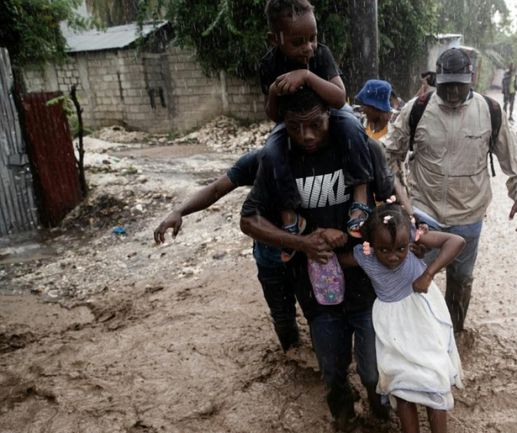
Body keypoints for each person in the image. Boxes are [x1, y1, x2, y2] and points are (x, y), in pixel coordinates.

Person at [240, 88, 391, 430]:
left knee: (372, 368)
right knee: (332, 370)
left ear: (331, 115)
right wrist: (301, 242)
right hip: (315, 289)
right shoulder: (276, 160)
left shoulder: (360, 147)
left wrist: (384, 233)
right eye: (295, 127)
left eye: (315, 125)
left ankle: (380, 410)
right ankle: (344, 417)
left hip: (365, 284)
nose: (306, 136)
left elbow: (391, 201)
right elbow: (248, 219)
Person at [384, 47, 517, 333]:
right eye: (446, 86)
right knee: (411, 276)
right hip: (423, 213)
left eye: (459, 86)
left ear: (472, 79)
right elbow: (390, 154)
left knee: (461, 280)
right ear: (436, 80)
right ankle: (417, 337)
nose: (452, 93)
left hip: (469, 216)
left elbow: (512, 157)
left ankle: (456, 334)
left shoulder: (490, 111)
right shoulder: (416, 109)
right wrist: (398, 200)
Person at [153, 146, 305, 352]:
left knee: (320, 314)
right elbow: (216, 189)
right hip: (270, 254)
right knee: (282, 318)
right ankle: (295, 360)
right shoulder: (260, 159)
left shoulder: (316, 156)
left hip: (307, 253)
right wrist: (179, 210)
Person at [340, 203, 465, 433]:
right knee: (400, 385)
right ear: (370, 244)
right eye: (384, 250)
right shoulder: (364, 255)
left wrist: (428, 274)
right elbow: (337, 259)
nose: (393, 256)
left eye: (400, 248)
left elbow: (456, 241)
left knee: (434, 379)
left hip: (422, 322)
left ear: (409, 240)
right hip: (391, 328)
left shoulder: (416, 238)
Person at [258, 0, 372, 252]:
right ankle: (289, 215)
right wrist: (275, 94)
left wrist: (307, 76)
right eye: (297, 42)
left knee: (354, 127)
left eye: (313, 37)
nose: (308, 47)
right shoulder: (269, 65)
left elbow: (340, 98)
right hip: (294, 122)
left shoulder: (321, 54)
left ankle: (360, 196)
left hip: (329, 113)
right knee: (271, 151)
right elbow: (274, 116)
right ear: (274, 39)